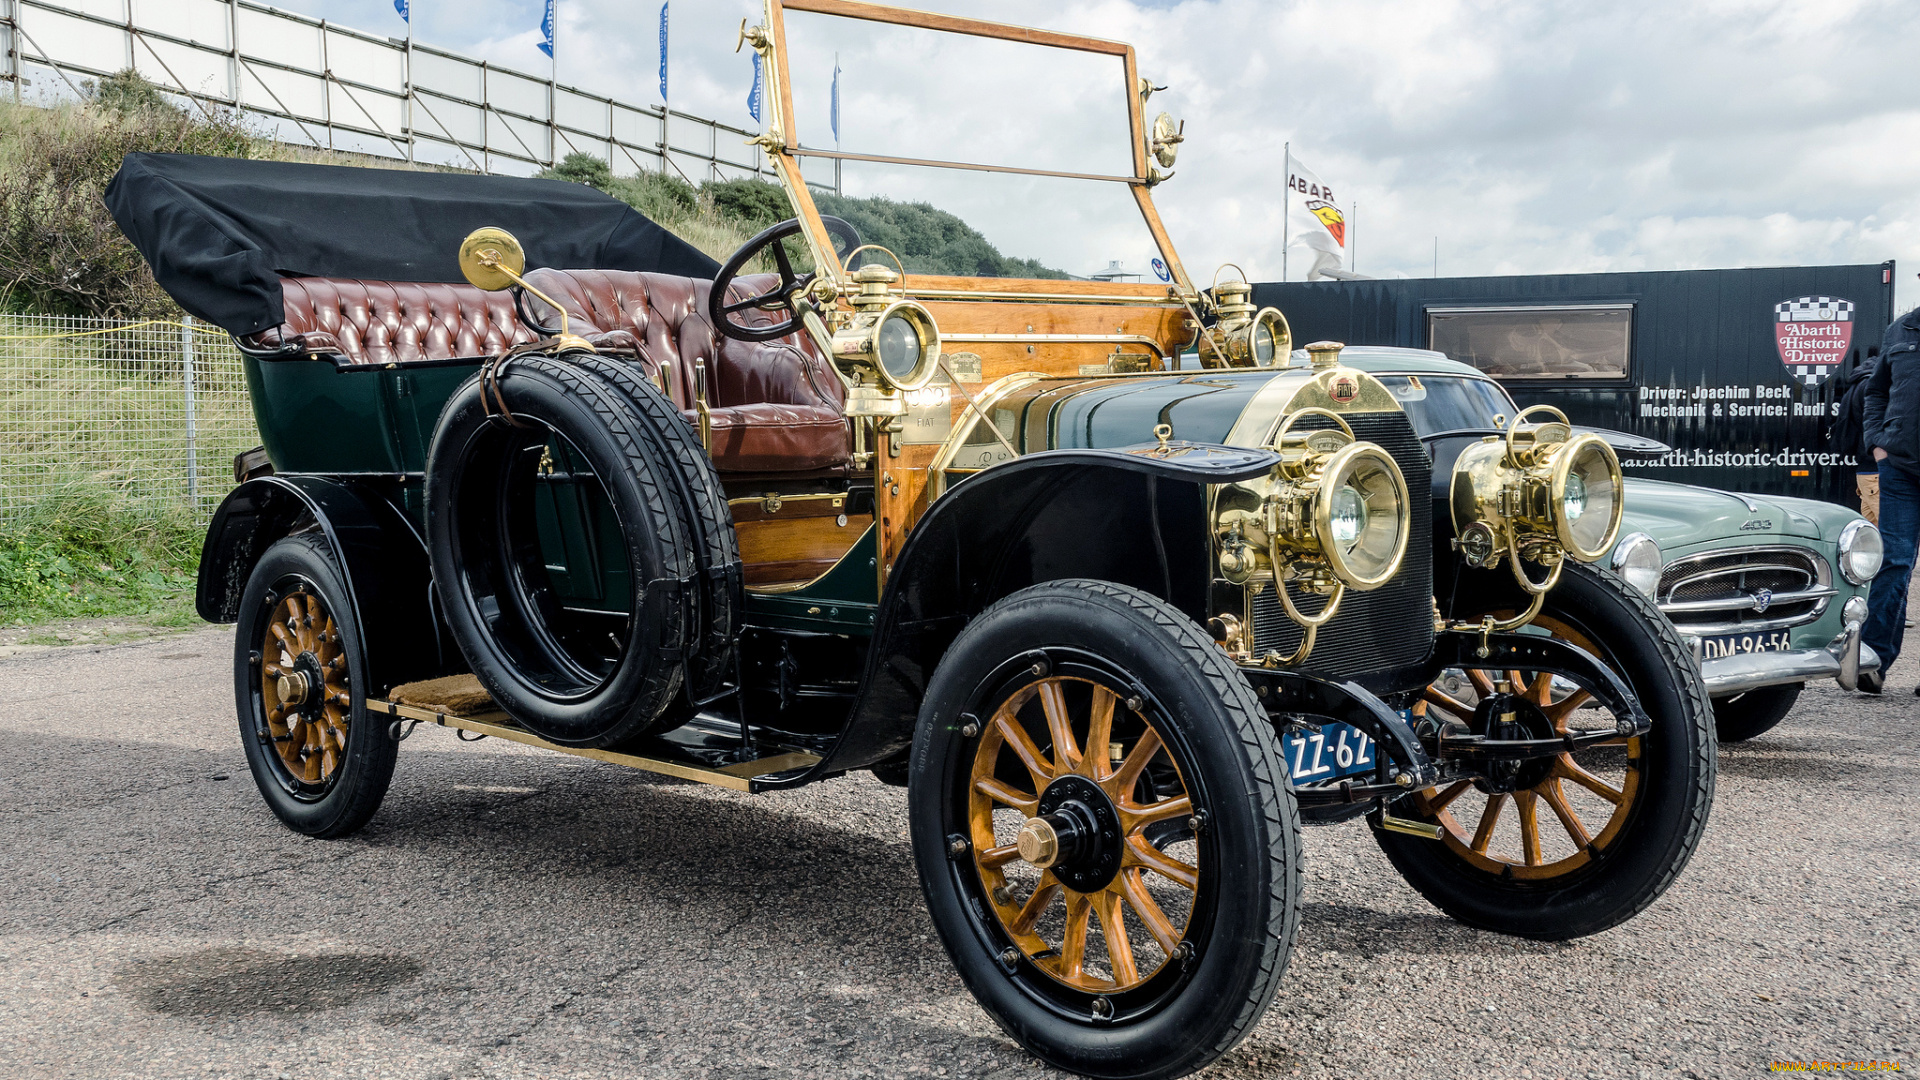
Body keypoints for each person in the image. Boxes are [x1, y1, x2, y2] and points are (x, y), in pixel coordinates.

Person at [1860, 303, 1920, 693]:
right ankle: (1873, 661)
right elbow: (1876, 391)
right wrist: (1876, 443)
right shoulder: (1900, 330)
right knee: (1893, 560)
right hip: (1899, 465)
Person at [1835, 347, 1880, 524]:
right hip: (1876, 471)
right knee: (1896, 531)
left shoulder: (1857, 385)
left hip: (1865, 471)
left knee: (1873, 534)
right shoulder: (1872, 386)